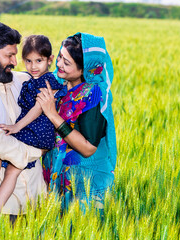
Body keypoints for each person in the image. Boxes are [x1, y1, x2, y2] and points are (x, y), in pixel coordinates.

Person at [0, 35, 64, 218]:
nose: (16, 62)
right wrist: (36, 152)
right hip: (6, 211)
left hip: (35, 198)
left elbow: (43, 108)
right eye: (10, 56)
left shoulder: (22, 79)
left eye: (16, 55)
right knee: (0, 152)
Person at [37, 33, 117, 211]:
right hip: (59, 175)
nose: (59, 65)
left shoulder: (93, 95)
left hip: (85, 183)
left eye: (66, 63)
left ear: (84, 70)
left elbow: (88, 148)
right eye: (59, 57)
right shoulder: (59, 85)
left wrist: (53, 114)